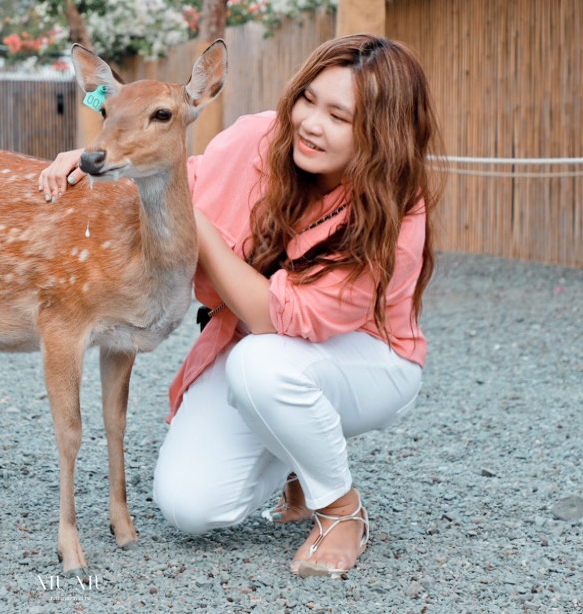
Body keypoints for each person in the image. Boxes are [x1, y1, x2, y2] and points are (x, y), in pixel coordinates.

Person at [38, 34, 442, 577]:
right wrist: (96, 159)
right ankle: (300, 451)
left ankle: (341, 511)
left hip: (365, 360)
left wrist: (192, 218)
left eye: (340, 116)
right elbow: (182, 173)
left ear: (381, 132)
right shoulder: (258, 139)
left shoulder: (396, 210)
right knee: (190, 507)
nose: (311, 123)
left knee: (262, 364)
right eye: (308, 99)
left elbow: (277, 319)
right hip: (271, 357)